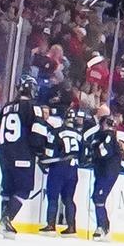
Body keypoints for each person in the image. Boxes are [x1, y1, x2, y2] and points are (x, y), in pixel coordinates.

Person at [0, 75, 40, 239]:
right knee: (23, 189)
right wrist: (39, 151)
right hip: (22, 154)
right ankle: (5, 220)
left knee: (8, 189)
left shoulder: (6, 107)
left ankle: (4, 222)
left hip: (4, 154)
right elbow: (37, 135)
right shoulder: (31, 107)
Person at [38, 96, 79, 235]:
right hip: (73, 168)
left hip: (59, 167)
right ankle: (72, 227)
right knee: (69, 198)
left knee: (53, 196)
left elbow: (49, 151)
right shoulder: (79, 135)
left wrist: (44, 162)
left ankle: (50, 225)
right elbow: (84, 154)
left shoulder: (56, 132)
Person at [83, 115, 123, 241]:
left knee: (99, 197)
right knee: (97, 197)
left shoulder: (109, 136)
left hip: (108, 171)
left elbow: (105, 152)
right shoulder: (100, 136)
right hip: (101, 171)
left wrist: (93, 155)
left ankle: (102, 227)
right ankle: (103, 227)